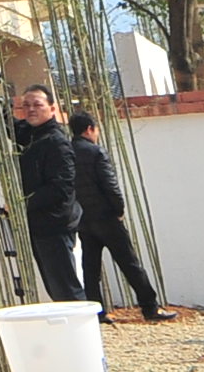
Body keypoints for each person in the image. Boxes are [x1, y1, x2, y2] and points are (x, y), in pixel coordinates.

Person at [64, 108, 168, 321]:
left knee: (90, 268)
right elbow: (110, 185)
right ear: (90, 129)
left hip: (83, 219)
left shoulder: (66, 152)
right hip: (106, 217)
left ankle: (97, 312)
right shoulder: (96, 152)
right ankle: (150, 307)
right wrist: (119, 209)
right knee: (130, 263)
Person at [12, 87, 86, 302]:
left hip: (55, 224)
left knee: (66, 288)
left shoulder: (56, 141)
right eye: (26, 105)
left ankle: (81, 333)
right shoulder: (34, 134)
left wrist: (21, 203)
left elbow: (61, 187)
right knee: (56, 288)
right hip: (41, 224)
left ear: (52, 108)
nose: (31, 110)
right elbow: (12, 127)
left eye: (37, 105)